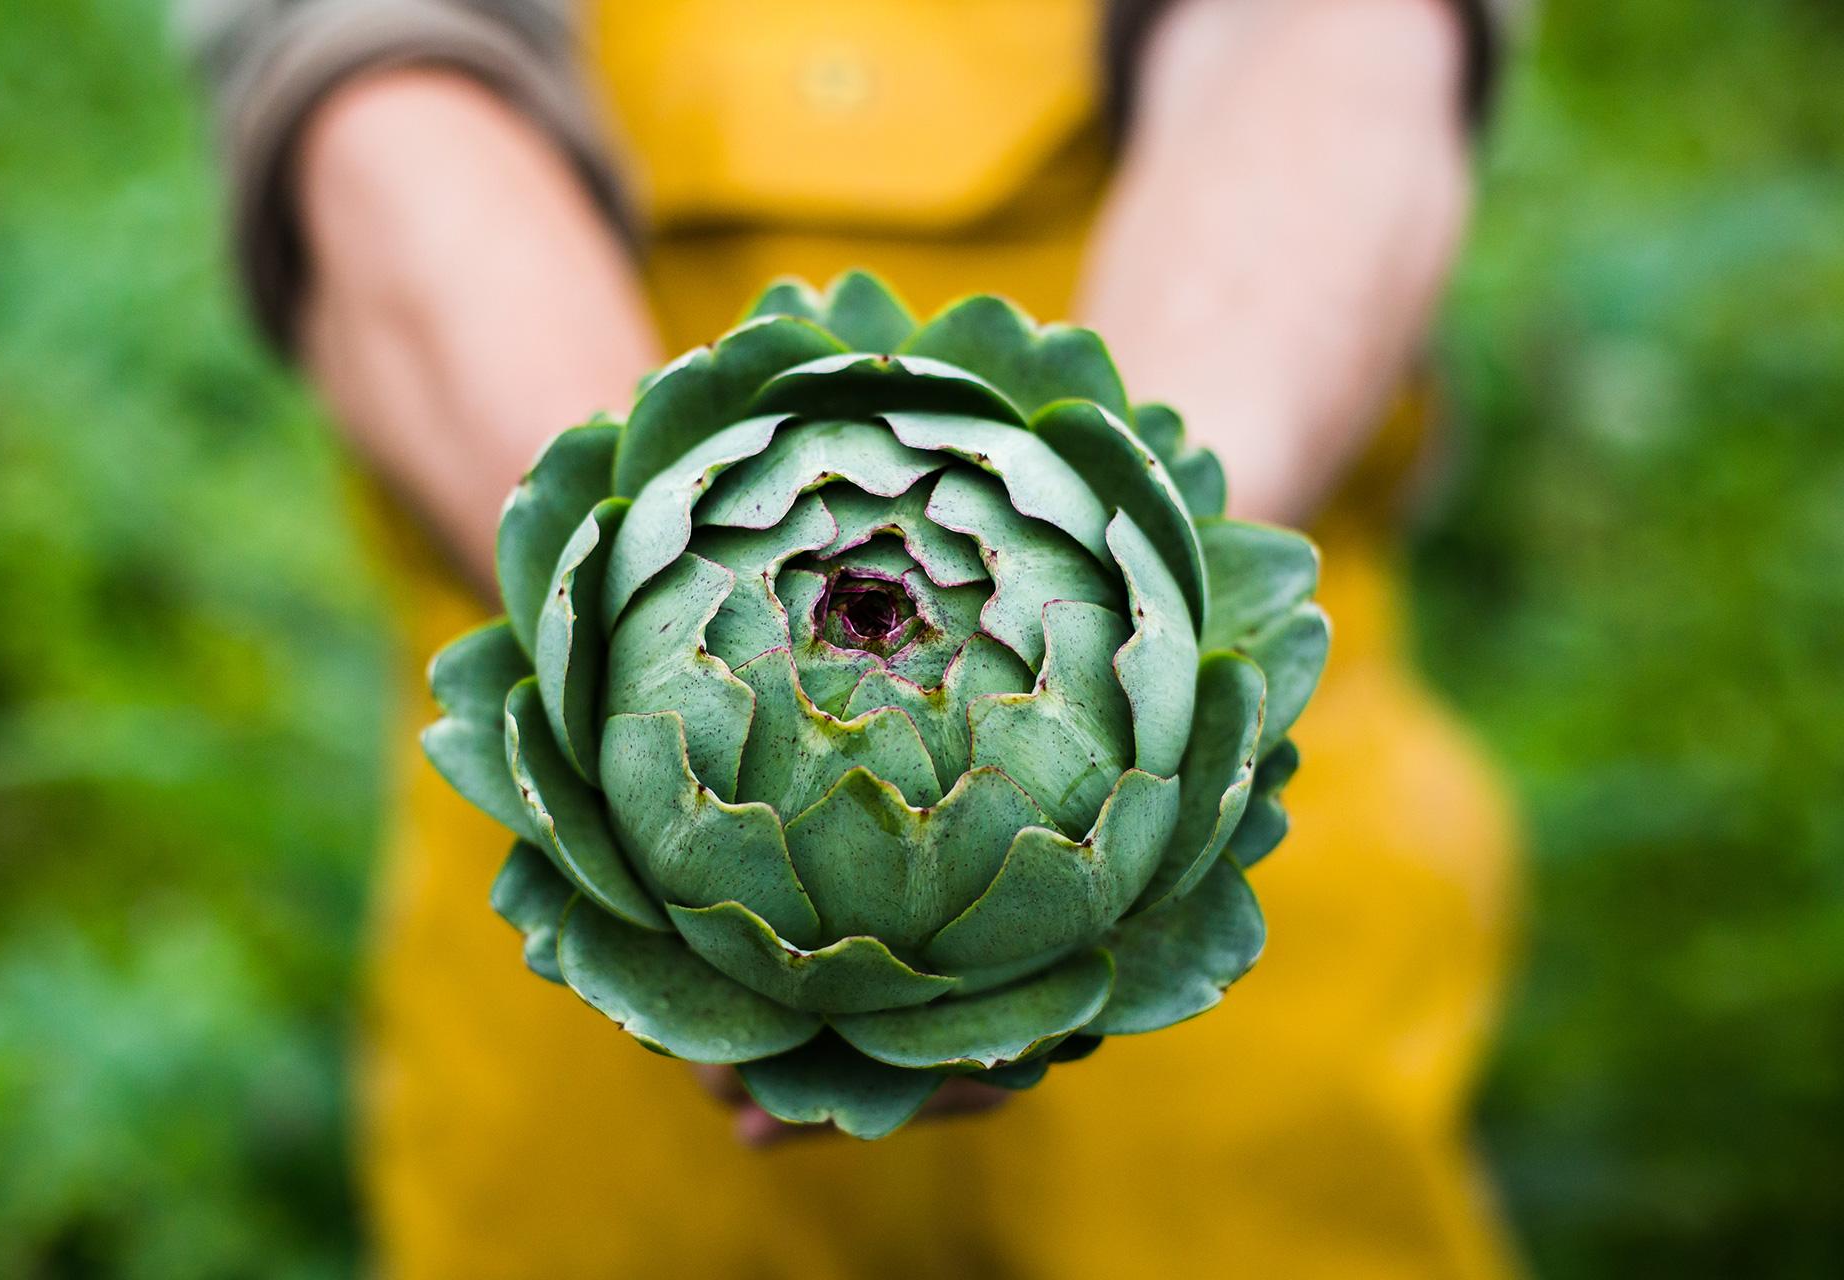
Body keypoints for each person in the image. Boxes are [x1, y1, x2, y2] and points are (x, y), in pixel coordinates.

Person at [186, 0, 1520, 1273]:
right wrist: (616, 588)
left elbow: (1336, 44)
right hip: (588, 975)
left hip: (1228, 908)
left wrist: (1164, 528)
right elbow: (372, 88)